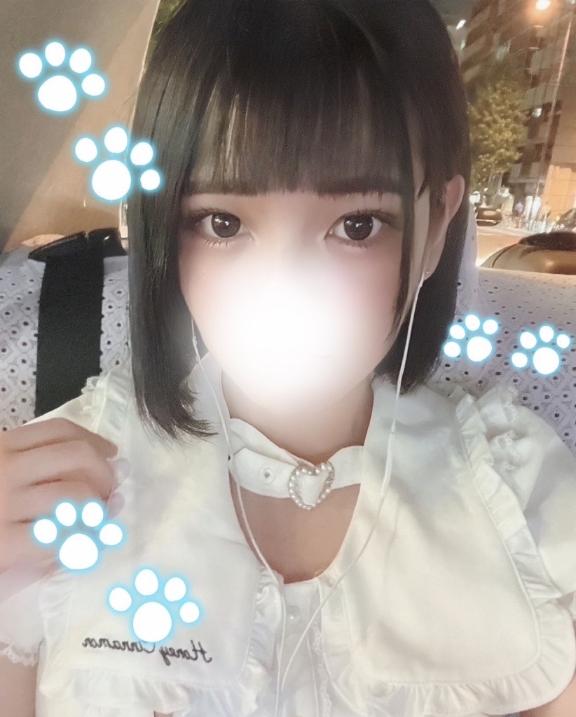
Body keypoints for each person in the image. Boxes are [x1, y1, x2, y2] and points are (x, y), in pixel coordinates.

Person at [1, 1, 576, 716]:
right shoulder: (50, 490)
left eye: (357, 225)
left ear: (435, 228)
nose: (285, 288)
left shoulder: (520, 493)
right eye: (223, 222)